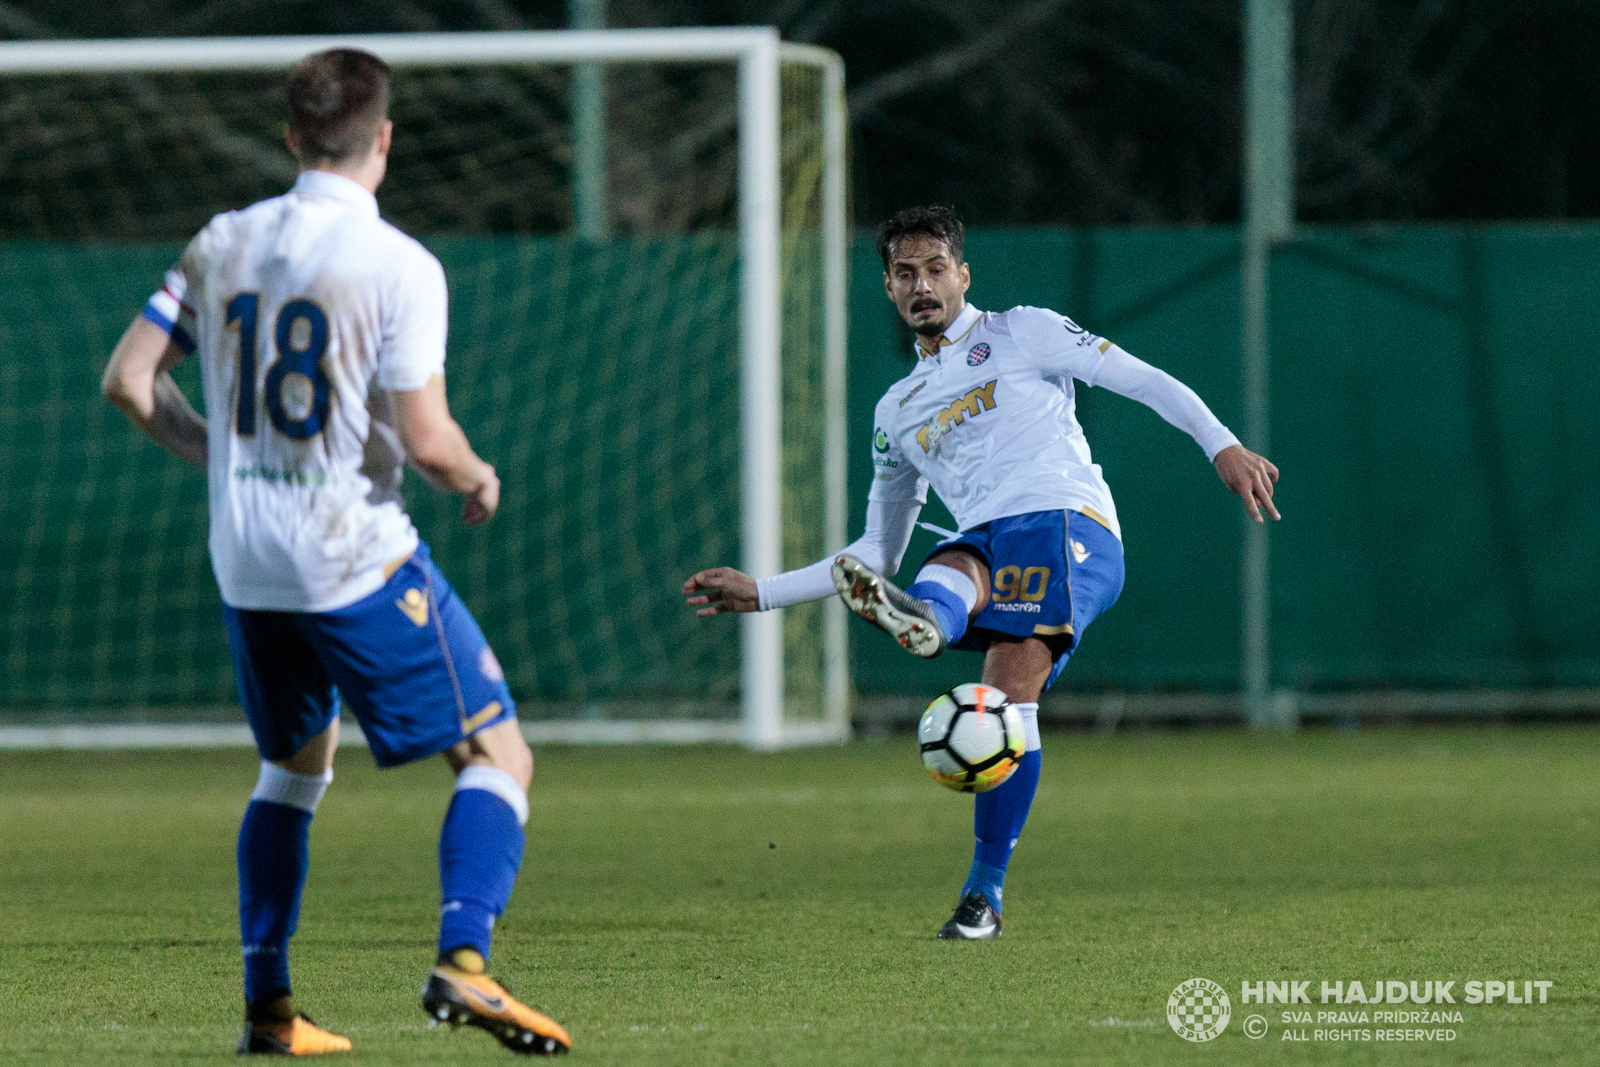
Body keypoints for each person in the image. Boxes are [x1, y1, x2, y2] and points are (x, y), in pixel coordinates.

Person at [100, 48, 570, 1056]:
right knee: (498, 750)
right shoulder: (398, 264)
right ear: (384, 140)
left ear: (290, 136)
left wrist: (217, 454)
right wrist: (478, 476)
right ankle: (464, 960)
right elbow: (431, 441)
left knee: (291, 771)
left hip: (246, 558)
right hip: (349, 553)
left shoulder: (221, 240)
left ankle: (269, 1009)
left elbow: (130, 382)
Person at [683, 205, 1279, 940]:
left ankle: (984, 893)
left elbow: (1142, 378)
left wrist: (1221, 444)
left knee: (1003, 697)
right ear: (889, 288)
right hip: (982, 543)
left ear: (963, 275)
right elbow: (874, 555)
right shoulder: (896, 411)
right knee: (949, 573)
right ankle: (927, 622)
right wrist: (763, 591)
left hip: (1066, 524)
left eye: (936, 268)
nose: (922, 285)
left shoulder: (1020, 330)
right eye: (906, 273)